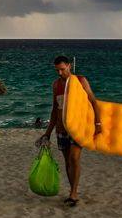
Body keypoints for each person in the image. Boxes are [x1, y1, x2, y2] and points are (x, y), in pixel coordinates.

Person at [39, 55, 102, 207]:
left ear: (69, 66)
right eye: (57, 70)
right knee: (67, 161)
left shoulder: (80, 81)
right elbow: (55, 110)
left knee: (74, 158)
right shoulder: (56, 85)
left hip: (78, 127)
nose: (60, 73)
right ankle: (72, 192)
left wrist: (98, 122)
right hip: (61, 128)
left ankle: (74, 193)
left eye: (62, 69)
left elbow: (93, 100)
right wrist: (47, 132)